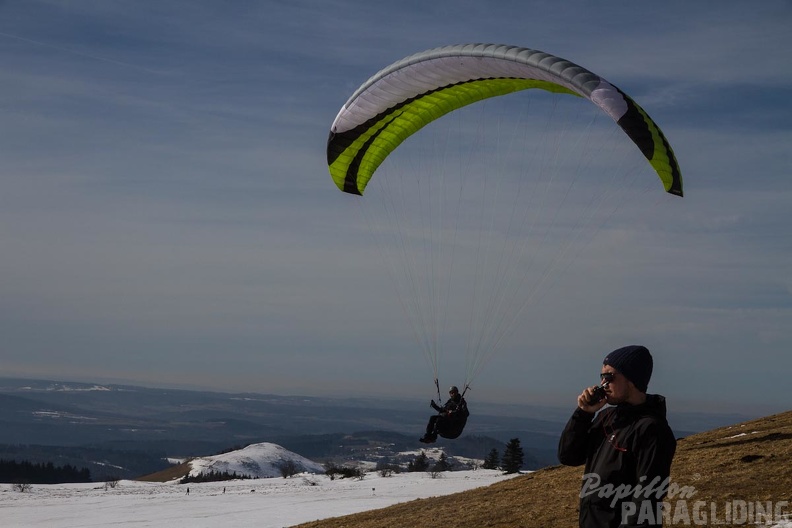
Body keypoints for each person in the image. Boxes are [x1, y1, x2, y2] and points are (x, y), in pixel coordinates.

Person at [558, 345, 676, 528]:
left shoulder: (652, 429)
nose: (603, 385)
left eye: (609, 377)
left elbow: (647, 498)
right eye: (602, 377)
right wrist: (583, 414)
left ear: (631, 379)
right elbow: (568, 456)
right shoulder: (606, 418)